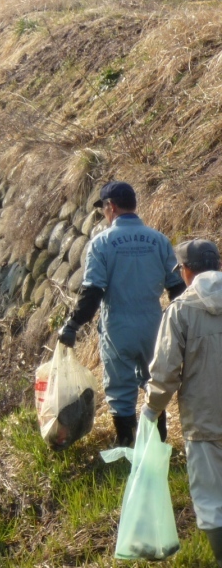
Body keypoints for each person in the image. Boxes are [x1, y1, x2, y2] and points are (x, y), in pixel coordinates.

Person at [58, 181, 184, 447]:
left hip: (118, 327)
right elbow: (177, 289)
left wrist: (73, 325)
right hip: (154, 326)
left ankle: (126, 444)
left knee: (120, 389)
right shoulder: (159, 240)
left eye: (103, 208)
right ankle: (157, 443)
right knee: (155, 384)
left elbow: (92, 291)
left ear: (111, 206)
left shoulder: (101, 243)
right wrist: (181, 327)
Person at [144, 239, 222, 568]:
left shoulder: (180, 311)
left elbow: (165, 373)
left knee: (210, 499)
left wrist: (151, 410)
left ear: (186, 271)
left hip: (203, 422)